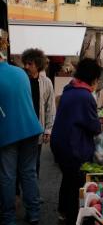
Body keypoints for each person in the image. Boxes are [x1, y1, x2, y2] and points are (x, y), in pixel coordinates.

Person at [51, 58, 102, 225]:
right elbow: (94, 127)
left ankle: (62, 213)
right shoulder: (84, 96)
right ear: (93, 77)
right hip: (73, 147)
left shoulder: (70, 89)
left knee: (67, 178)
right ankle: (72, 218)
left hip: (60, 144)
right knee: (76, 184)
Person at [0, 49, 43, 225]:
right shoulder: (19, 72)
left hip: (8, 133)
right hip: (31, 128)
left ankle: (9, 218)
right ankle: (33, 213)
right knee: (28, 172)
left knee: (8, 176)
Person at [21, 48, 56, 177]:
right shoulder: (22, 79)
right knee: (20, 162)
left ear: (38, 64)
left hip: (37, 128)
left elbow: (50, 107)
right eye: (25, 63)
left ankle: (32, 192)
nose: (26, 66)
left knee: (35, 163)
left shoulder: (46, 83)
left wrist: (48, 129)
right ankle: (17, 191)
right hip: (22, 128)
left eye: (30, 64)